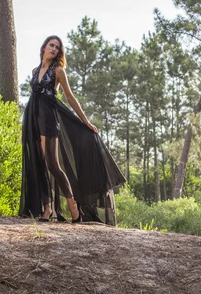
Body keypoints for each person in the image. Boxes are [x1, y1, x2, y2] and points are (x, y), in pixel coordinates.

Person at [19, 35, 126, 225]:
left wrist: (86, 122)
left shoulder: (58, 71)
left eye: (57, 47)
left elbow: (70, 97)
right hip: (33, 118)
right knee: (38, 163)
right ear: (44, 47)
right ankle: (46, 209)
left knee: (53, 164)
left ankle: (74, 208)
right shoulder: (35, 70)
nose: (53, 49)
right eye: (51, 45)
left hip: (50, 119)